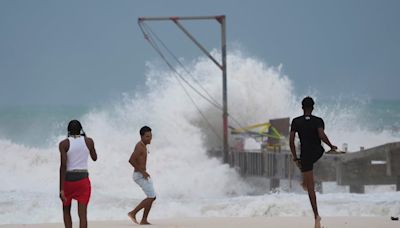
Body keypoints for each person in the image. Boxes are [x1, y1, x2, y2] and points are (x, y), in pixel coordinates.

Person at [289, 97, 337, 228]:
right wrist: (331, 146)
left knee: (310, 188)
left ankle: (316, 216)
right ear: (313, 107)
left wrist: (295, 158)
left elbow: (291, 141)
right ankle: (306, 180)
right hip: (318, 152)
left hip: (305, 157)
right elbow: (321, 135)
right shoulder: (318, 120)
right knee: (309, 177)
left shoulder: (296, 121)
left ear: (302, 107)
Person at [59, 120, 97, 228]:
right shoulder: (89, 141)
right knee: (82, 214)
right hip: (83, 181)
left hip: (68, 182)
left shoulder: (64, 144)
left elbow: (63, 166)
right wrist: (86, 140)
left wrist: (61, 189)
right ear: (81, 129)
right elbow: (94, 158)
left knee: (66, 210)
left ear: (68, 131)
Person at [128, 126, 156, 225]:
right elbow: (131, 160)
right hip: (139, 175)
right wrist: (143, 172)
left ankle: (144, 220)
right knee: (151, 197)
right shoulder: (139, 146)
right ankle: (133, 213)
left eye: (151, 136)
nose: (150, 138)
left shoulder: (143, 145)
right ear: (142, 136)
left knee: (152, 197)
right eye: (147, 136)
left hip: (141, 174)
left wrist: (143, 172)